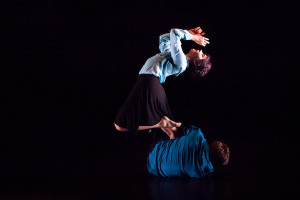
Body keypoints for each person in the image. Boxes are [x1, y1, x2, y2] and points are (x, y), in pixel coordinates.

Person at [114, 27, 212, 135]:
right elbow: (164, 39)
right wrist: (188, 33)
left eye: (202, 55)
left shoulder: (182, 62)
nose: (201, 50)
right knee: (170, 131)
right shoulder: (175, 56)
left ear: (197, 63)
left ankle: (162, 124)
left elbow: (174, 32)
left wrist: (191, 37)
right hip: (150, 82)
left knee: (120, 125)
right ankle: (168, 133)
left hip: (149, 81)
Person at [147, 124, 230, 178]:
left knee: (177, 130)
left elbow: (183, 126)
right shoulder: (200, 173)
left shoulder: (197, 135)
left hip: (156, 147)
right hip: (153, 169)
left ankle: (154, 125)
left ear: (213, 144)